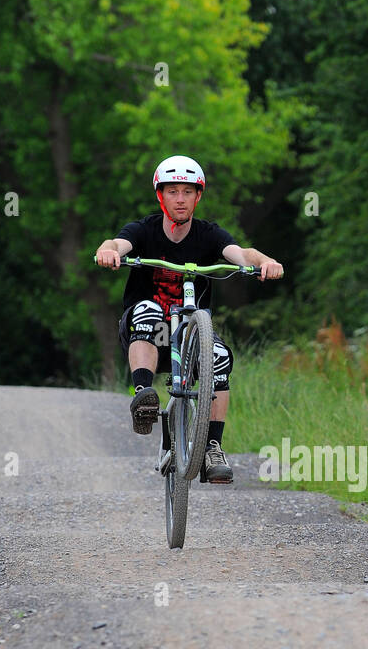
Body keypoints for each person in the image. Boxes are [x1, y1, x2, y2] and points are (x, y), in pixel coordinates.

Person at [95, 155, 283, 483]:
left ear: (198, 196)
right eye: (172, 191)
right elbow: (116, 243)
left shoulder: (209, 235)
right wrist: (108, 252)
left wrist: (266, 261)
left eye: (187, 191)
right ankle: (143, 397)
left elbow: (242, 254)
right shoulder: (144, 230)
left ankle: (212, 446)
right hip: (148, 336)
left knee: (221, 358)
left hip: (192, 337)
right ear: (160, 195)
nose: (180, 199)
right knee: (149, 310)